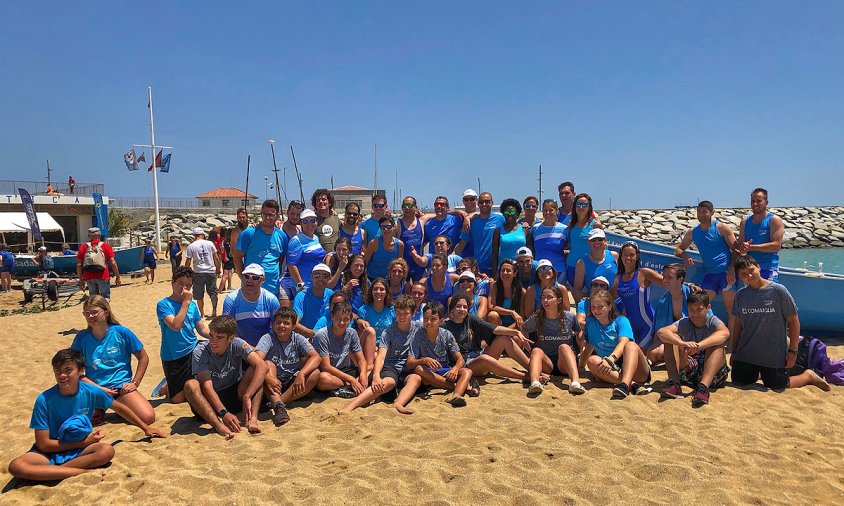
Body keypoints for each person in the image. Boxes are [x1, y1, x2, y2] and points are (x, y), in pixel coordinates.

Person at [8, 349, 164, 482]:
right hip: (53, 449)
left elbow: (120, 408)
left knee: (106, 451)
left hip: (80, 448)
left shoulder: (91, 392)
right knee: (16, 466)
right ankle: (81, 472)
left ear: (81, 371)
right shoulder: (44, 399)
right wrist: (83, 443)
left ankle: (54, 472)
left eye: (68, 370)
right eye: (58, 371)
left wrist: (145, 428)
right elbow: (43, 445)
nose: (62, 375)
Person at [729, 255, 830, 391]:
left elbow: (794, 321)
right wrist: (734, 351)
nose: (749, 275)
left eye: (751, 270)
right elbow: (738, 325)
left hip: (773, 354)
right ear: (740, 277)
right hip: (747, 352)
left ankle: (808, 376)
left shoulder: (778, 291)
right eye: (743, 274)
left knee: (778, 385)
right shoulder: (741, 295)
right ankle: (759, 373)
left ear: (758, 267)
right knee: (739, 381)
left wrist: (793, 351)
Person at [71, 295, 155, 425]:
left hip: (119, 388)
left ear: (106, 312)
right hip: (94, 388)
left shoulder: (121, 332)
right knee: (76, 421)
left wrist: (135, 383)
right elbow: (75, 371)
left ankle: (120, 408)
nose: (90, 317)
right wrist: (99, 389)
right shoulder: (81, 338)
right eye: (86, 313)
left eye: (94, 312)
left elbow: (143, 357)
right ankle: (101, 409)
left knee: (148, 417)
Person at [184, 315, 268, 438]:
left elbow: (263, 366)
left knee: (255, 371)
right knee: (190, 384)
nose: (213, 341)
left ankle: (253, 418)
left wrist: (247, 395)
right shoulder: (201, 351)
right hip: (210, 402)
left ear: (231, 338)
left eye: (219, 338)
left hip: (233, 392)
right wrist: (224, 413)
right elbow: (207, 387)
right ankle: (218, 425)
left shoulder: (237, 344)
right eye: (211, 335)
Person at [341, 296, 425, 414]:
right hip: (391, 367)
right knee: (387, 382)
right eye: (398, 313)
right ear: (394, 312)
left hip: (408, 368)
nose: (401, 317)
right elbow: (381, 356)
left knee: (416, 378)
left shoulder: (419, 328)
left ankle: (398, 404)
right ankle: (351, 406)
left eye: (405, 313)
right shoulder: (389, 332)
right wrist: (376, 376)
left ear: (413, 313)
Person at [656, 291, 730, 406]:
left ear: (708, 308)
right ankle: (675, 384)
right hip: (690, 370)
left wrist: (699, 346)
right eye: (691, 309)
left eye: (699, 309)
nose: (695, 314)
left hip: (713, 374)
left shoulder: (712, 321)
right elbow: (662, 332)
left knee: (718, 344)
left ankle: (703, 388)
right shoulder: (685, 322)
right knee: (670, 339)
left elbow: (725, 333)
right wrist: (681, 343)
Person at [442, 294, 531, 390]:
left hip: (478, 354)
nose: (462, 309)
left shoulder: (471, 319)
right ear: (451, 310)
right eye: (458, 306)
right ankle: (524, 377)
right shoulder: (444, 326)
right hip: (465, 364)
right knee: (484, 358)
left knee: (503, 339)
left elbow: (494, 328)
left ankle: (533, 370)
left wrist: (516, 332)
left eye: (465, 307)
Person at [581, 290, 652, 399]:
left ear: (610, 306)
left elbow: (623, 342)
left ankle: (624, 385)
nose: (596, 310)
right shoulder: (591, 323)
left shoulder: (621, 321)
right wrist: (581, 366)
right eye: (593, 307)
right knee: (592, 360)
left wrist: (611, 359)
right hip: (613, 371)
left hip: (636, 368)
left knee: (631, 345)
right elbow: (590, 345)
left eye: (600, 307)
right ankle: (630, 384)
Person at [256, 307, 322, 425]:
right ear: (273, 324)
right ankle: (279, 406)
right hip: (274, 382)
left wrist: (302, 374)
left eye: (286, 323)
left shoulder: (297, 338)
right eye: (278, 322)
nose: (282, 326)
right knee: (268, 364)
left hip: (293, 381)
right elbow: (257, 359)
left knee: (315, 373)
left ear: (293, 326)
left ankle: (278, 404)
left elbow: (316, 357)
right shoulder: (267, 338)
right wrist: (268, 378)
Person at [156, 267, 211, 403]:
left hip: (192, 349)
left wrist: (218, 336)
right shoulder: (164, 305)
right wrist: (186, 302)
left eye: (188, 285)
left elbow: (202, 329)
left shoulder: (192, 305)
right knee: (177, 399)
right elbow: (175, 325)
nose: (184, 288)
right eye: (181, 283)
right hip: (173, 355)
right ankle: (167, 386)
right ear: (172, 282)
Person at [675, 200, 738, 317]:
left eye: (704, 211)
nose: (701, 214)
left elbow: (736, 250)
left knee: (731, 310)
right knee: (698, 305)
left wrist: (731, 269)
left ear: (712, 212)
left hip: (726, 275)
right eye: (699, 212)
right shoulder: (693, 232)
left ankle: (734, 335)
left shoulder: (721, 228)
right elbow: (678, 250)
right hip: (711, 275)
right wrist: (684, 255)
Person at [406, 302, 473, 407]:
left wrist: (455, 369)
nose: (428, 322)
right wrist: (424, 360)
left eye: (433, 319)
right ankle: (455, 386)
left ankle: (456, 395)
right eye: (425, 318)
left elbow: (460, 359)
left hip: (444, 370)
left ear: (441, 320)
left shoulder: (446, 334)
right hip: (429, 373)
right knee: (418, 368)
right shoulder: (418, 335)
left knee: (467, 371)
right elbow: (410, 363)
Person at [523, 286, 584, 396]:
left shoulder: (569, 317)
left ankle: (575, 382)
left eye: (549, 297)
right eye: (543, 298)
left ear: (559, 300)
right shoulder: (538, 317)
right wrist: (525, 342)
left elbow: (578, 332)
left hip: (565, 363)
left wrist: (582, 345)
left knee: (564, 347)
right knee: (536, 350)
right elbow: (524, 327)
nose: (545, 301)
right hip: (548, 364)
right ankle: (535, 383)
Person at [234, 199, 288, 299]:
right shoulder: (248, 234)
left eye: (271, 215)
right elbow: (237, 258)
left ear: (277, 216)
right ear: (261, 214)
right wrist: (243, 278)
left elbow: (280, 259)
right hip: (250, 289)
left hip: (273, 288)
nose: (268, 217)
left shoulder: (282, 236)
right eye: (265, 214)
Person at [313, 301, 369, 397]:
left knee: (370, 371)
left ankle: (346, 387)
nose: (342, 322)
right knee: (322, 379)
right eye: (338, 319)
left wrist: (363, 375)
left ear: (351, 319)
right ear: (332, 316)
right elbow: (326, 366)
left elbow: (361, 359)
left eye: (346, 319)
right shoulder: (322, 335)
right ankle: (349, 385)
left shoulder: (352, 333)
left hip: (346, 370)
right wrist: (351, 380)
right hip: (330, 372)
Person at [612, 241, 660, 350]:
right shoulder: (618, 278)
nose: (628, 258)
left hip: (647, 325)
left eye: (632, 255)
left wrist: (687, 284)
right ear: (621, 256)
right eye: (625, 254)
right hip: (629, 326)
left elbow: (667, 282)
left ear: (637, 256)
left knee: (639, 356)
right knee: (628, 354)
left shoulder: (644, 273)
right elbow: (610, 299)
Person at [222, 263, 282, 346]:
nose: (249, 280)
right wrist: (248, 349)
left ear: (263, 280)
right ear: (242, 278)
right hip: (239, 347)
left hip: (266, 347)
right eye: (246, 276)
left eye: (255, 278)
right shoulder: (231, 300)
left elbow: (277, 328)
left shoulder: (271, 300)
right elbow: (228, 330)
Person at [737, 187, 784, 281]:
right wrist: (742, 249)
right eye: (753, 201)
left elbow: (776, 246)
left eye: (759, 201)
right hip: (749, 270)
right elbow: (740, 247)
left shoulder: (774, 220)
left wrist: (751, 247)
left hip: (769, 269)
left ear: (766, 202)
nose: (755, 204)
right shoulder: (745, 222)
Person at [455, 192, 503, 276]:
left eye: (487, 201)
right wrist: (449, 258)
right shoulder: (471, 222)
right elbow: (462, 243)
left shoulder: (500, 219)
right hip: (478, 267)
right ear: (478, 203)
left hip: (496, 266)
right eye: (481, 202)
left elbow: (512, 228)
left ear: (492, 203)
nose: (484, 204)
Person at [564, 193, 604, 285]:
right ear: (574, 206)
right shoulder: (571, 224)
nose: (581, 207)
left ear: (589, 207)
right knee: (576, 296)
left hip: (590, 266)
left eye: (585, 204)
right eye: (578, 204)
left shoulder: (595, 225)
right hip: (572, 265)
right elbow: (569, 243)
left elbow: (603, 246)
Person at [357, 277, 396, 368]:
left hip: (385, 348)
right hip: (367, 347)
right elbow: (359, 334)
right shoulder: (363, 310)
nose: (378, 292)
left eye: (382, 289)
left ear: (386, 292)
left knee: (377, 356)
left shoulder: (392, 310)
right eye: (375, 289)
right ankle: (370, 366)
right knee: (370, 331)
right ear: (371, 291)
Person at [286, 209, 327, 292]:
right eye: (305, 221)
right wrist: (300, 284)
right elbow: (291, 265)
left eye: (312, 220)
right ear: (300, 223)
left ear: (316, 222)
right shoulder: (296, 240)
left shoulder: (315, 238)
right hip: (304, 286)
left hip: (316, 284)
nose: (309, 224)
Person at [572, 228, 618, 302]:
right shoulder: (581, 263)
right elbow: (577, 289)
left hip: (615, 301)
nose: (597, 242)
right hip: (594, 303)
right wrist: (583, 304)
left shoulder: (615, 256)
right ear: (589, 242)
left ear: (605, 240)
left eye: (600, 239)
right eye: (593, 240)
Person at [76, 227, 121, 300]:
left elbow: (79, 265)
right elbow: (113, 262)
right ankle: (104, 311)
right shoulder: (105, 246)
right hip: (103, 275)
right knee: (105, 298)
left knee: (94, 299)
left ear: (88, 236)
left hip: (89, 276)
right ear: (99, 235)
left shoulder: (83, 247)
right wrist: (117, 277)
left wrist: (81, 280)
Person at [185, 227, 221, 318]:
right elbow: (216, 257)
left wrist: (187, 273)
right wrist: (218, 268)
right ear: (203, 235)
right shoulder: (210, 243)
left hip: (198, 272)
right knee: (213, 292)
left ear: (194, 235)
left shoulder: (191, 246)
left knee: (199, 294)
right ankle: (214, 310)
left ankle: (202, 313)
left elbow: (188, 261)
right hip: (210, 271)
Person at [291, 263, 334, 339]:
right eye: (317, 275)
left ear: (329, 278)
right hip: (305, 339)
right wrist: (314, 334)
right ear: (311, 277)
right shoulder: (301, 296)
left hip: (326, 338)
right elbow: (294, 323)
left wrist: (358, 319)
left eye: (324, 276)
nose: (320, 279)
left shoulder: (331, 294)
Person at [531, 199, 568, 281]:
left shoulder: (564, 229)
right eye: (545, 210)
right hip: (539, 270)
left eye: (551, 210)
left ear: (557, 211)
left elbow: (570, 246)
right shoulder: (535, 228)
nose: (548, 213)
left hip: (559, 271)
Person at [487, 258, 524, 328]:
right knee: (492, 315)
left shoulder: (521, 291)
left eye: (508, 270)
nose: (505, 273)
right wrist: (511, 312)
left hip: (514, 326)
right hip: (498, 324)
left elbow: (522, 316)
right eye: (502, 270)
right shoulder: (495, 286)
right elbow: (491, 306)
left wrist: (507, 331)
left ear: (515, 274)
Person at [311, 188, 341, 252]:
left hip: (335, 257)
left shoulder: (336, 219)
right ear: (315, 204)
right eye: (318, 200)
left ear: (329, 203)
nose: (321, 202)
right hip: (318, 258)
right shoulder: (311, 220)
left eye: (324, 199)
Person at [458, 189, 479, 259]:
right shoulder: (458, 217)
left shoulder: (481, 217)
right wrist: (455, 211)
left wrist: (468, 217)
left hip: (478, 259)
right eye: (466, 199)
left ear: (477, 200)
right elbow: (441, 214)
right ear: (463, 201)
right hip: (461, 259)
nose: (469, 202)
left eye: (472, 199)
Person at [228, 208, 250, 272]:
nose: (242, 219)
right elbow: (232, 249)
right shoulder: (236, 231)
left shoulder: (251, 228)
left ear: (247, 217)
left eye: (243, 217)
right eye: (239, 217)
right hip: (242, 260)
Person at [217, 227, 235, 292]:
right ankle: (220, 289)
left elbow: (222, 251)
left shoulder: (224, 242)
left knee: (225, 275)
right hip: (233, 259)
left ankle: (220, 289)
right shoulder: (235, 241)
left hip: (227, 259)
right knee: (226, 275)